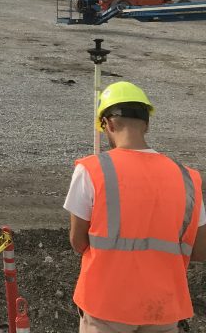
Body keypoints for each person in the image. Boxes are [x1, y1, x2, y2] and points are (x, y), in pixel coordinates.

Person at [64, 81, 206, 332]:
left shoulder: (91, 169)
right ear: (147, 124)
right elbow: (200, 250)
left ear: (108, 124)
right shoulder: (187, 178)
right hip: (163, 308)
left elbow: (78, 242)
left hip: (105, 304)